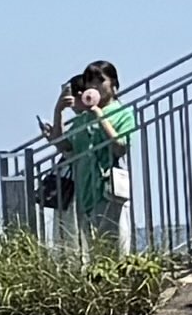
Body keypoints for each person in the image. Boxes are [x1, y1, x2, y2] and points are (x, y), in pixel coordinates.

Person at [40, 59, 136, 253]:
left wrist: (98, 115)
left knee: (116, 245)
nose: (94, 87)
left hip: (109, 189)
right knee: (91, 249)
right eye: (90, 83)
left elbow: (120, 147)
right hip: (86, 190)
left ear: (114, 86)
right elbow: (66, 146)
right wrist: (58, 111)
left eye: (100, 81)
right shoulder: (83, 119)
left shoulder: (123, 113)